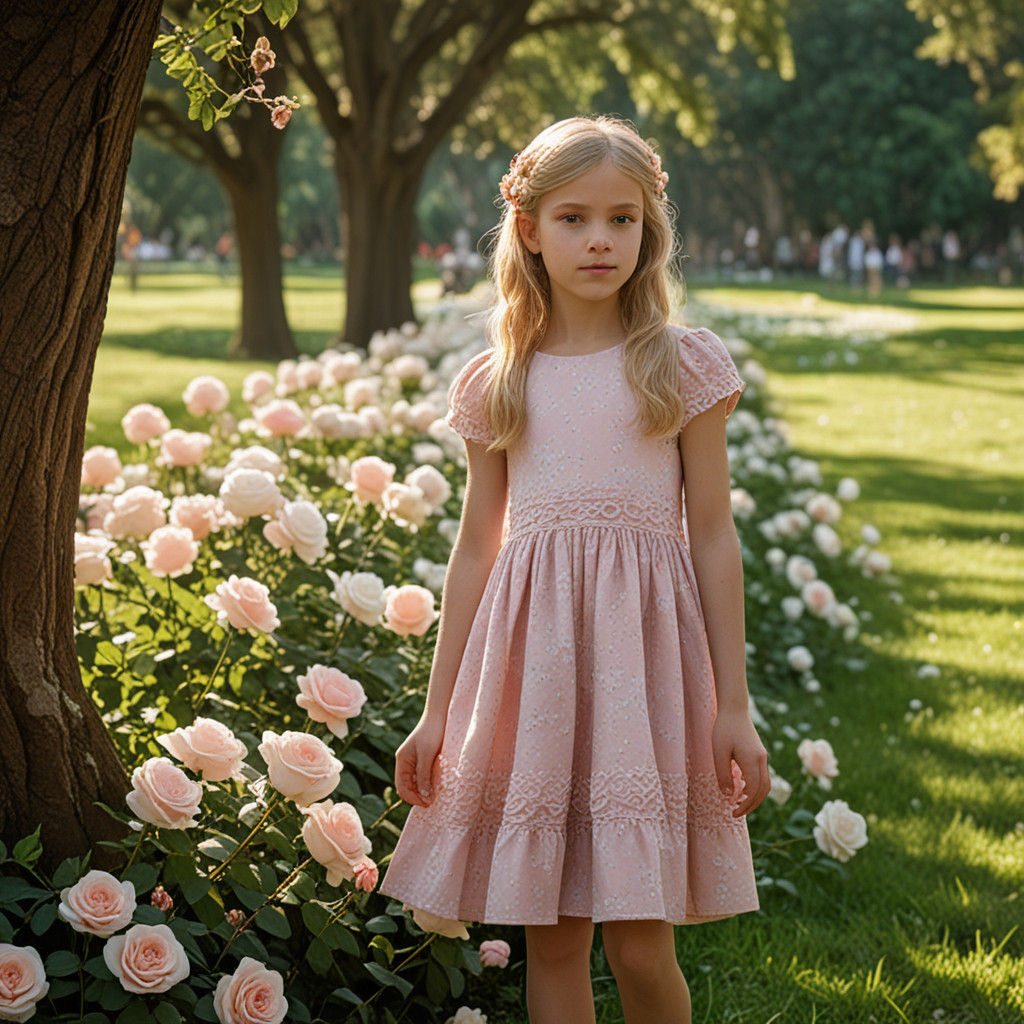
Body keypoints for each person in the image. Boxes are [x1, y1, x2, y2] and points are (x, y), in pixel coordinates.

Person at [377, 115, 767, 1024]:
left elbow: (712, 535)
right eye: (575, 218)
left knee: (639, 940)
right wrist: (438, 712)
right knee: (552, 938)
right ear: (528, 228)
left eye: (623, 220)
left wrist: (733, 704)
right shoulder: (498, 380)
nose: (600, 239)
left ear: (649, 229)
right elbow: (477, 548)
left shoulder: (679, 365)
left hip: (644, 677)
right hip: (534, 679)